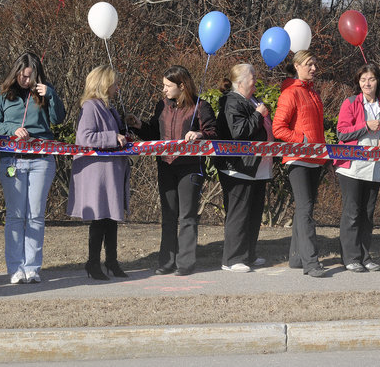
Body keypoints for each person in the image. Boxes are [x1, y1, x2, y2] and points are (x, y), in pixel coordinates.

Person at [127, 65, 217, 276]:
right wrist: (139, 126)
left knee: (187, 215)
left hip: (190, 167)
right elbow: (154, 133)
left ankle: (185, 263)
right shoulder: (162, 106)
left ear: (182, 85)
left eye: (168, 86)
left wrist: (199, 135)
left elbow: (213, 131)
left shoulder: (200, 106)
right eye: (163, 85)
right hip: (165, 165)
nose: (164, 90)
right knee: (168, 215)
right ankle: (166, 262)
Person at [0, 52, 66, 284]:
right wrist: (11, 130)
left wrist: (50, 95)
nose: (25, 80)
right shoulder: (0, 96)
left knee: (35, 215)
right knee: (15, 214)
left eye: (30, 76)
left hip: (42, 159)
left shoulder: (45, 92)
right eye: (22, 75)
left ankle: (32, 267)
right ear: (15, 73)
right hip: (13, 159)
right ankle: (15, 267)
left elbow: (58, 119)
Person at [67, 65, 131, 280]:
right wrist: (113, 138)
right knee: (99, 219)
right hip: (97, 173)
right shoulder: (90, 107)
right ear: (104, 84)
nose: (117, 87)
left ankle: (111, 261)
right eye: (114, 83)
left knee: (111, 218)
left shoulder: (108, 108)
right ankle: (93, 263)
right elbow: (85, 137)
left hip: (110, 171)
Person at [272, 50, 330, 277]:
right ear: (296, 66)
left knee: (304, 210)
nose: (314, 68)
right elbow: (278, 128)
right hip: (298, 159)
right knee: (305, 211)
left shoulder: (313, 92)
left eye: (315, 64)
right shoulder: (290, 93)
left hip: (315, 159)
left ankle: (296, 257)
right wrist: (301, 139)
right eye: (309, 64)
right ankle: (311, 262)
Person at [215, 64, 273, 273]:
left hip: (257, 167)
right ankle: (231, 259)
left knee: (254, 213)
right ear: (239, 82)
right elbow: (239, 132)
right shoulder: (232, 102)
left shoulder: (252, 100)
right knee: (239, 213)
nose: (256, 79)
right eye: (252, 76)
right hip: (238, 167)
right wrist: (258, 114)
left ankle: (248, 254)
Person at [335, 63, 380, 272]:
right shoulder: (350, 103)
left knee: (368, 214)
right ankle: (350, 257)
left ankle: (365, 256)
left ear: (378, 82)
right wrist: (365, 126)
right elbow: (342, 133)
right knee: (352, 212)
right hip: (352, 166)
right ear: (358, 83)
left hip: (375, 167)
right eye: (363, 80)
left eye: (371, 79)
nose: (367, 83)